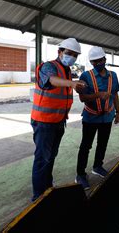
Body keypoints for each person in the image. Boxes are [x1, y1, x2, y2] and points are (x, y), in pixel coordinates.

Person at [30, 38, 87, 201]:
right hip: (44, 122)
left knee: (50, 157)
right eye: (69, 53)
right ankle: (38, 197)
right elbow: (52, 80)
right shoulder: (48, 67)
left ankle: (47, 188)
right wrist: (72, 83)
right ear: (59, 52)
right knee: (42, 159)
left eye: (75, 55)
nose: (72, 58)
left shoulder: (67, 71)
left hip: (58, 122)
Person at [75, 46, 119, 189]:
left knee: (102, 143)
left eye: (99, 60)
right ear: (91, 62)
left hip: (107, 117)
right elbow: (82, 98)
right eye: (94, 62)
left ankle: (97, 166)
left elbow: (115, 95)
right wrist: (97, 95)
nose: (97, 63)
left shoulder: (113, 76)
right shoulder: (86, 76)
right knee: (86, 146)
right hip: (90, 117)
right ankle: (81, 174)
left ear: (104, 59)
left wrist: (118, 112)